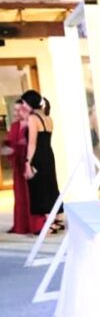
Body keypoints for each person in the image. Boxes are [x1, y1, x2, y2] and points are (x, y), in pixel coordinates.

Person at [20, 90, 63, 232]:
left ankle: (49, 222)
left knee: (40, 187)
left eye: (24, 102)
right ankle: (58, 218)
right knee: (51, 185)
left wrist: (27, 161)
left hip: (38, 156)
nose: (23, 105)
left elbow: (32, 143)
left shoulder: (33, 118)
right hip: (48, 155)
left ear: (29, 102)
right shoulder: (47, 117)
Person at [3, 99, 45, 235]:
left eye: (18, 110)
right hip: (18, 165)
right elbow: (10, 144)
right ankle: (21, 226)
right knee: (20, 195)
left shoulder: (33, 124)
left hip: (30, 163)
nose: (15, 113)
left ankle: (37, 225)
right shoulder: (14, 126)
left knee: (32, 195)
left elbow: (37, 145)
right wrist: (7, 149)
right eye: (14, 110)